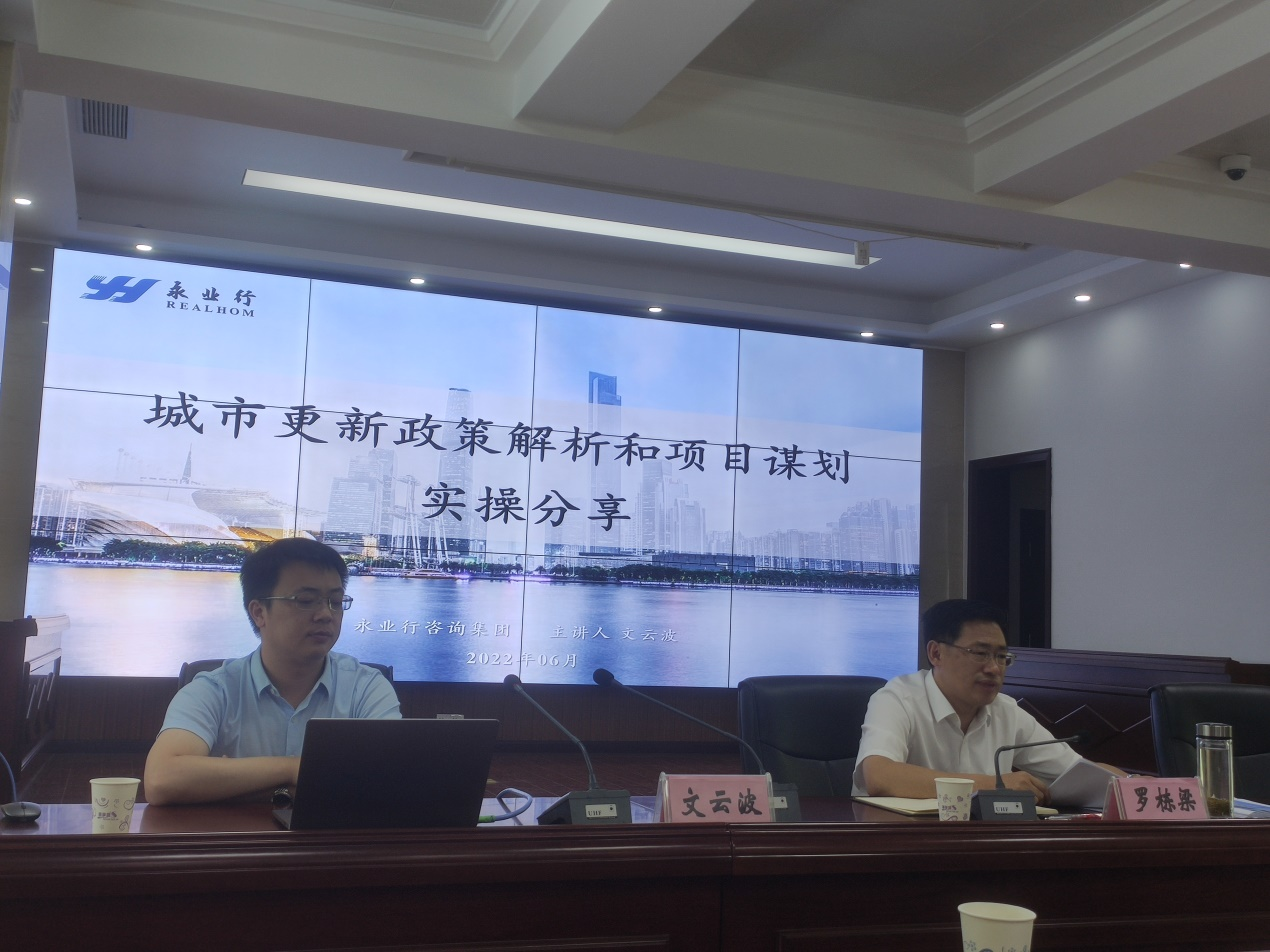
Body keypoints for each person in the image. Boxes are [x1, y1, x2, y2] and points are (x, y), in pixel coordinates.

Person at [144, 537, 400, 805]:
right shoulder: (214, 690)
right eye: (306, 600)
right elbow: (162, 780)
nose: (326, 614)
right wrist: (292, 769)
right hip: (235, 834)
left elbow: (392, 779)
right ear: (259, 613)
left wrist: (238, 781)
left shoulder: (366, 687)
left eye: (335, 601)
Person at [852, 598, 1121, 803]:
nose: (994, 668)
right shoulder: (897, 698)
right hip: (900, 844)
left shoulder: (1006, 711)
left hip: (980, 845)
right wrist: (995, 785)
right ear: (936, 653)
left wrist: (1132, 784)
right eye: (980, 653)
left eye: (1001, 656)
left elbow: (1077, 772)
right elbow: (879, 776)